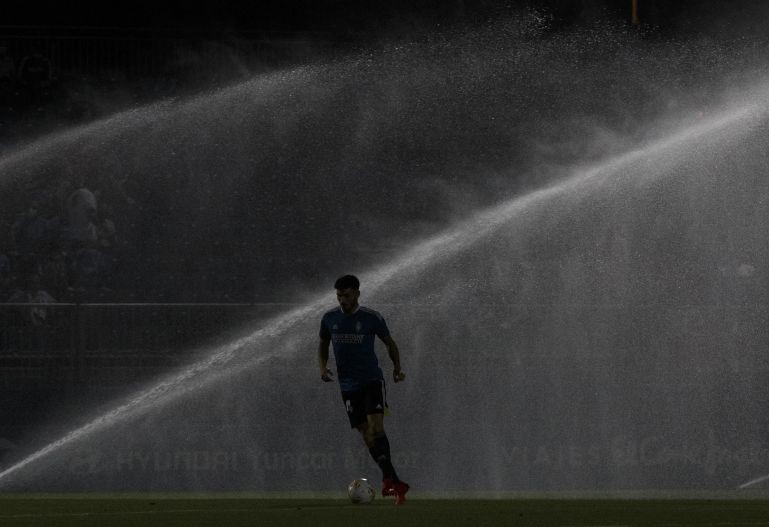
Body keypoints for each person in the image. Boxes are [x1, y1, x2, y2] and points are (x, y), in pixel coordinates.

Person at [318, 274, 410, 504]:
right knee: (365, 433)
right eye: (339, 296)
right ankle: (394, 481)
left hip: (371, 381)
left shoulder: (371, 318)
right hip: (347, 385)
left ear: (357, 293)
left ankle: (389, 480)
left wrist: (397, 368)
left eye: (346, 295)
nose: (342, 300)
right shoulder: (329, 318)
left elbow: (390, 344)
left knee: (376, 427)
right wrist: (322, 367)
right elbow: (322, 345)